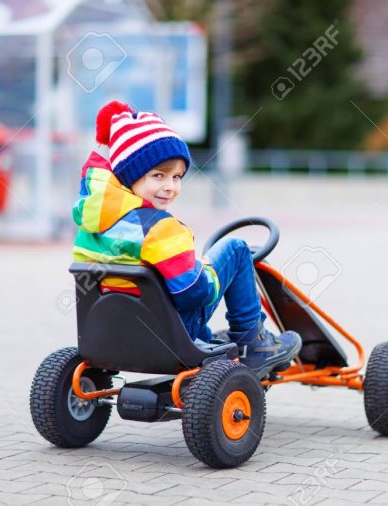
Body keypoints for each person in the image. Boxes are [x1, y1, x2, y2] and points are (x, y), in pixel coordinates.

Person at [72, 100, 301, 379]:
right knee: (236, 249)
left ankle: (216, 341)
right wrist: (203, 270)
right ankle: (253, 342)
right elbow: (193, 294)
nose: (170, 186)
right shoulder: (160, 228)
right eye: (158, 176)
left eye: (177, 177)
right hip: (168, 333)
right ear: (129, 176)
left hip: (111, 332)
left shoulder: (90, 226)